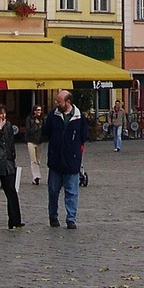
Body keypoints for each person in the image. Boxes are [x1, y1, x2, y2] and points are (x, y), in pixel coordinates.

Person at [43, 89, 88, 229]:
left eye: (59, 101)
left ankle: (71, 219)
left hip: (72, 160)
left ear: (67, 102)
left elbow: (84, 136)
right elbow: (46, 132)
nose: (56, 103)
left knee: (72, 191)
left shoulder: (79, 118)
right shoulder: (53, 116)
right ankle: (53, 216)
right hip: (55, 160)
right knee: (53, 191)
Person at [22, 103, 45, 185]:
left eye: (40, 110)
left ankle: (35, 177)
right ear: (34, 111)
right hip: (31, 141)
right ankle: (36, 177)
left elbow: (44, 130)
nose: (39, 112)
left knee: (38, 160)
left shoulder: (42, 119)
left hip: (40, 142)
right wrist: (37, 125)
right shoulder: (29, 119)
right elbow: (29, 130)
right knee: (33, 160)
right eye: (38, 110)